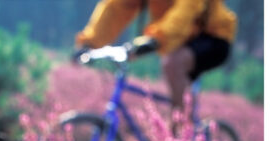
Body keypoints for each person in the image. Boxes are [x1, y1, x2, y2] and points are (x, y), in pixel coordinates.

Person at [75, 0, 237, 114]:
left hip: (214, 36)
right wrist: (90, 42)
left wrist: (156, 38)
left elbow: (187, 9)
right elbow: (116, 8)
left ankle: (181, 139)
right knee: (172, 65)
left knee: (173, 64)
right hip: (177, 38)